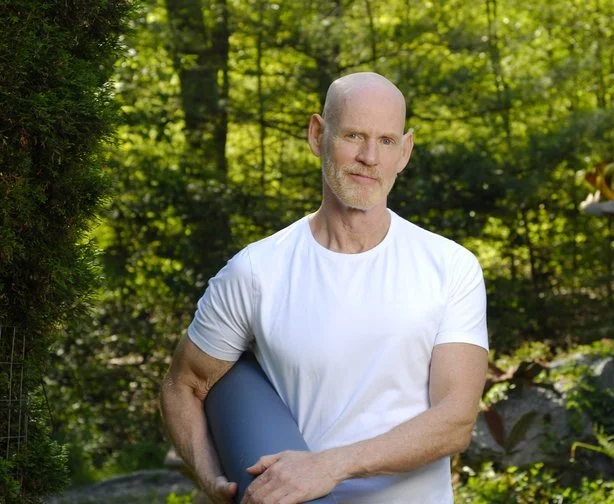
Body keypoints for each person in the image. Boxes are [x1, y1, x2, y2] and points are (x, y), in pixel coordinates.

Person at [160, 72, 489, 504]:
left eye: (386, 141)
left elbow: (455, 420)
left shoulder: (450, 266)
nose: (369, 157)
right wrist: (210, 477)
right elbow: (183, 385)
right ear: (318, 135)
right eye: (354, 136)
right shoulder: (256, 272)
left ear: (405, 151)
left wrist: (331, 466)